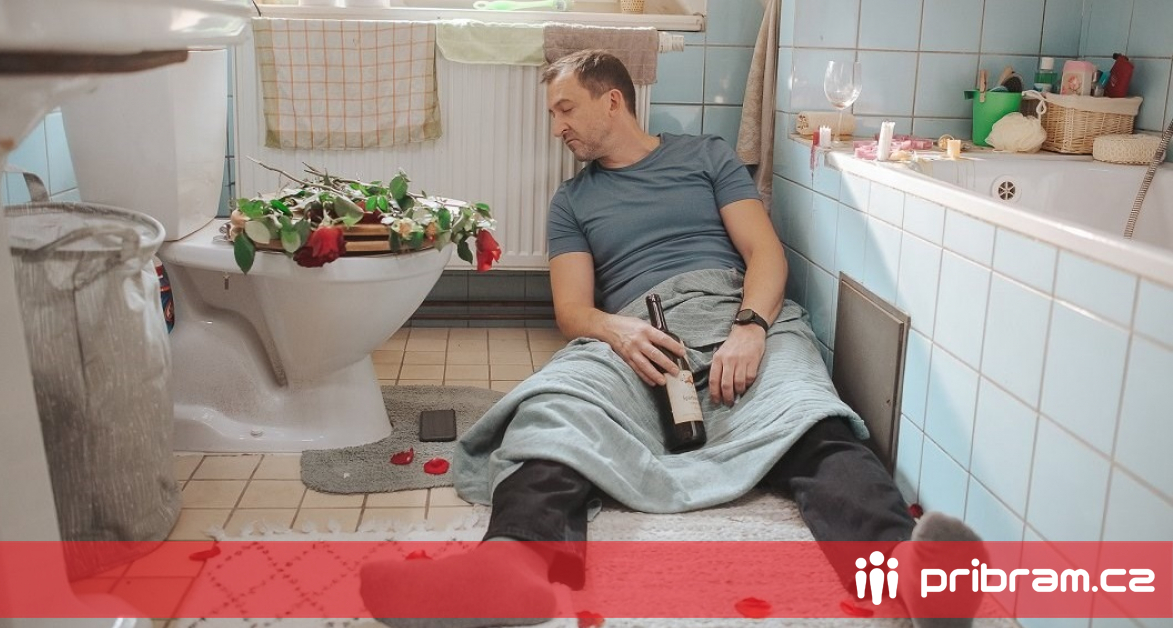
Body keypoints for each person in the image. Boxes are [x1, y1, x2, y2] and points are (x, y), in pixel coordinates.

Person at [360, 50, 981, 628]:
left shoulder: (706, 157)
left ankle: (904, 570)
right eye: (552, 115)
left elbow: (764, 253)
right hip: (636, 331)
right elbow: (572, 310)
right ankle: (511, 570)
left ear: (613, 101)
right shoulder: (572, 201)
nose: (556, 128)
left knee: (809, 417)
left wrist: (752, 328)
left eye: (565, 109)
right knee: (554, 414)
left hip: (732, 308)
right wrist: (617, 329)